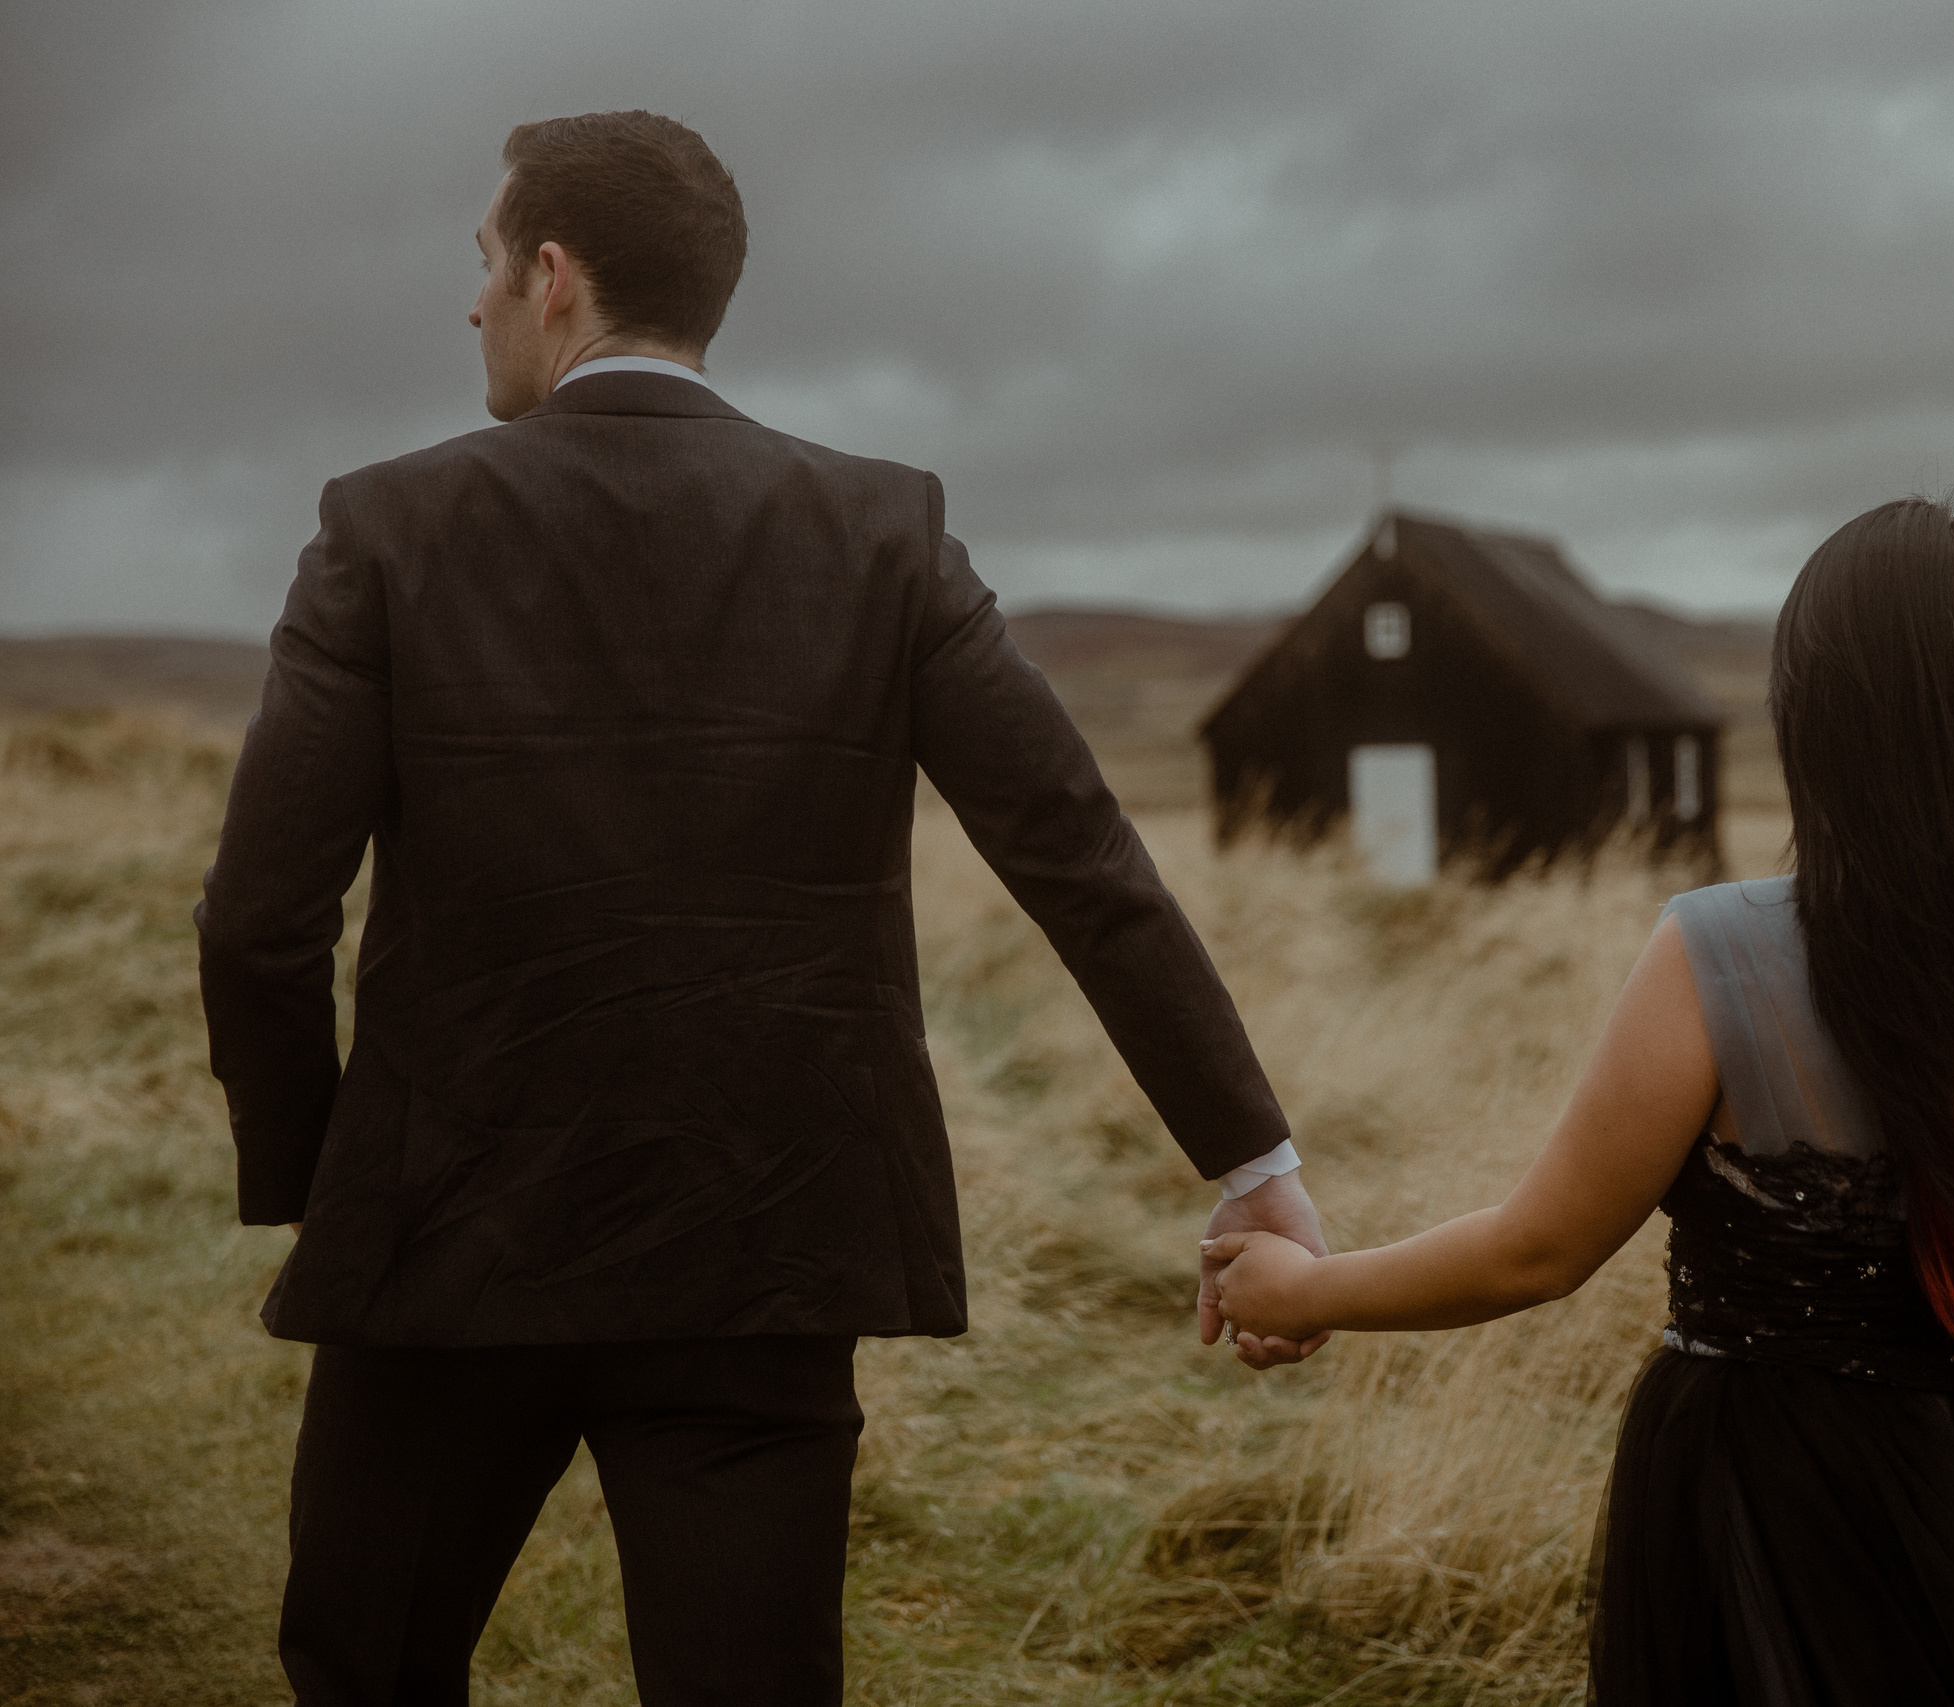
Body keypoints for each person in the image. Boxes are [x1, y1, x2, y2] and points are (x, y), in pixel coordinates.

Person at [194, 110, 1326, 1707]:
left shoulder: (386, 528)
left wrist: (332, 1182)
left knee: (367, 1668)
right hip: (767, 1244)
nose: (472, 306)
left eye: (482, 266)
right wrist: (1251, 1160)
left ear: (556, 275)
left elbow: (255, 916)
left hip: (442, 1248)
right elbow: (1079, 857)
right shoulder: (882, 533)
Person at [1208, 498, 1954, 1703]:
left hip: (1770, 1511)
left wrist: (1306, 1288)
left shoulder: (1715, 955)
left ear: (1817, 720)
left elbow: (1538, 1251)